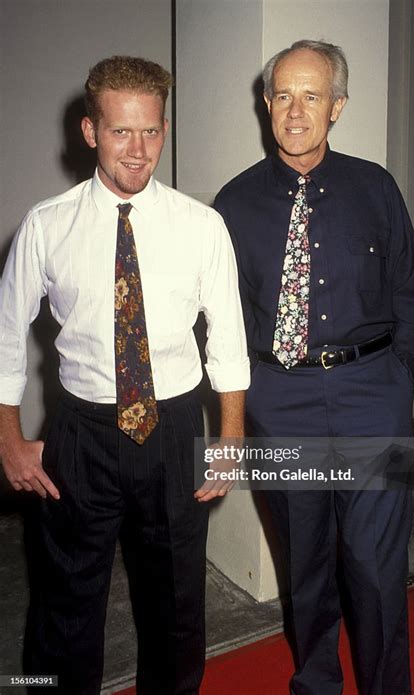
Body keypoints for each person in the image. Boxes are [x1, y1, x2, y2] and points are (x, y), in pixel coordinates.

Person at [0, 55, 249, 695]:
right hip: (81, 432)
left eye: (152, 131)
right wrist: (8, 438)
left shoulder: (202, 227)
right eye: (120, 132)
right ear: (90, 132)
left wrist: (228, 441)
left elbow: (228, 339)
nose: (138, 152)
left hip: (171, 428)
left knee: (174, 600)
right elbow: (3, 335)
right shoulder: (45, 226)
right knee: (64, 601)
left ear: (164, 129)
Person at [214, 40, 414, 695]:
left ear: (337, 105)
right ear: (266, 103)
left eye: (311, 95)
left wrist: (403, 378)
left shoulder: (377, 187)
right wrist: (251, 400)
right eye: (283, 94)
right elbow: (225, 319)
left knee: (375, 563)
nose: (295, 109)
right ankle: (316, 681)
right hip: (283, 401)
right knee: (304, 560)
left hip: (373, 394)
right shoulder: (233, 204)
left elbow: (410, 292)